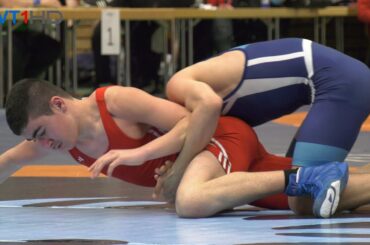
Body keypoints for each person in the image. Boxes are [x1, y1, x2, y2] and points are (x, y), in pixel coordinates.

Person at [2, 79, 347, 218]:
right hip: (215, 170)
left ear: (59, 105)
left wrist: (153, 159)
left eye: (42, 132)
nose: (45, 144)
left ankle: (304, 176)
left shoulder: (115, 102)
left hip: (222, 140)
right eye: (37, 139)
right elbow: (7, 161)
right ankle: (311, 178)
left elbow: (195, 122)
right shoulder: (64, 141)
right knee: (310, 201)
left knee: (190, 201)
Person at [155, 38, 370, 216]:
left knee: (302, 199)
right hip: (338, 81)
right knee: (295, 181)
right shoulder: (202, 83)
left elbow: (210, 105)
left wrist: (178, 171)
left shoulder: (178, 85)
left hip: (341, 85)